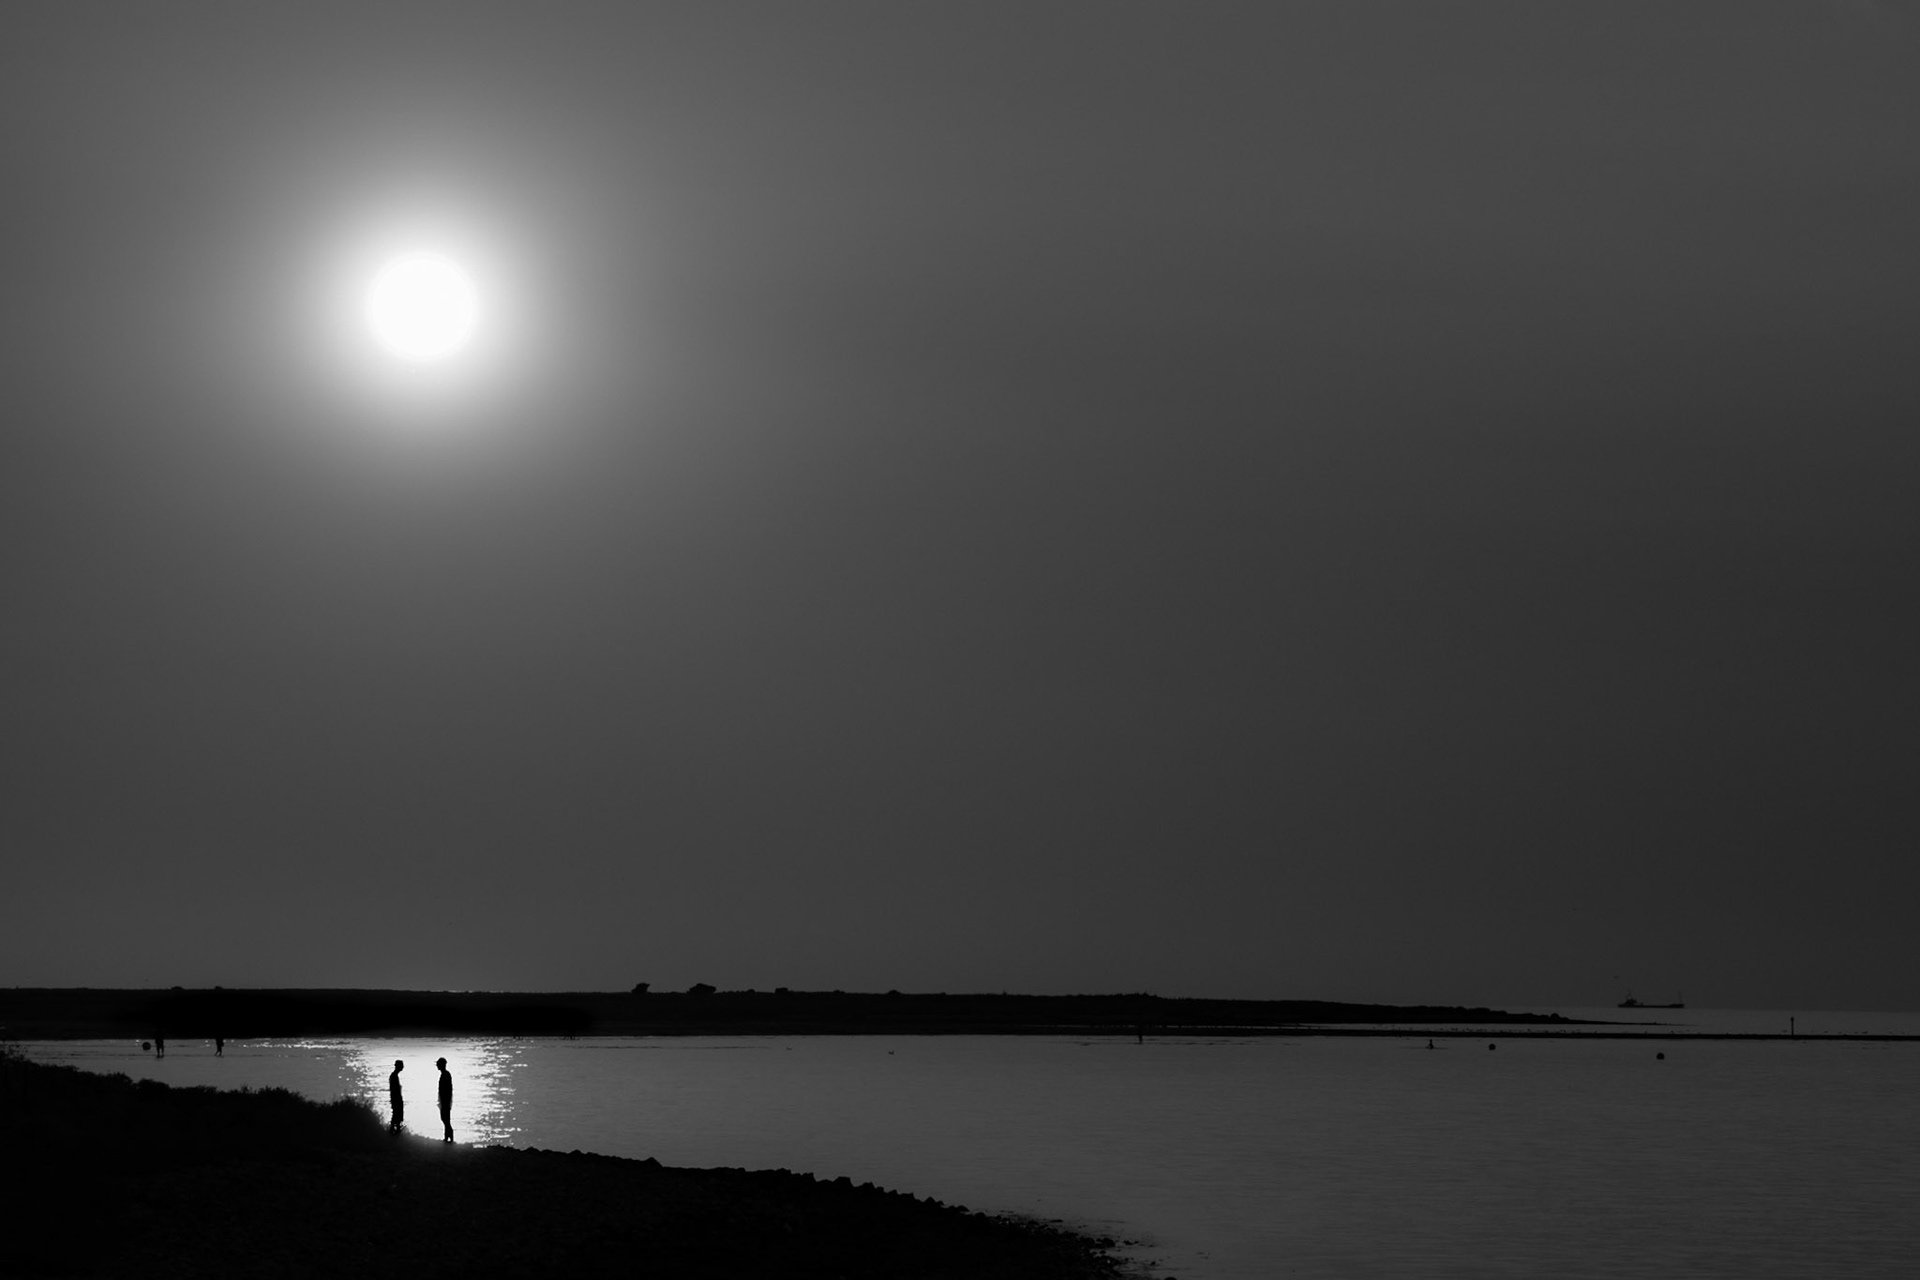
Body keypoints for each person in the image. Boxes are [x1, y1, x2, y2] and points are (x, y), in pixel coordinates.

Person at [436, 1058, 454, 1143]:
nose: (437, 1065)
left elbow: (448, 1090)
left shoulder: (446, 1074)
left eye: (438, 1064)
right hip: (443, 1100)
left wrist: (446, 1101)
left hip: (445, 1101)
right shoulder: (444, 1074)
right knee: (444, 1118)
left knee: (446, 1119)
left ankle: (449, 1137)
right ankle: (447, 1136)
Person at [388, 1060, 405, 1134]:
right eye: (401, 1065)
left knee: (397, 1116)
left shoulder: (394, 1076)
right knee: (396, 1115)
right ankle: (394, 1132)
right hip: (396, 1099)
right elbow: (394, 1090)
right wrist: (397, 1100)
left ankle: (395, 1131)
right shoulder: (394, 1076)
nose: (403, 1067)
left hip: (396, 1099)